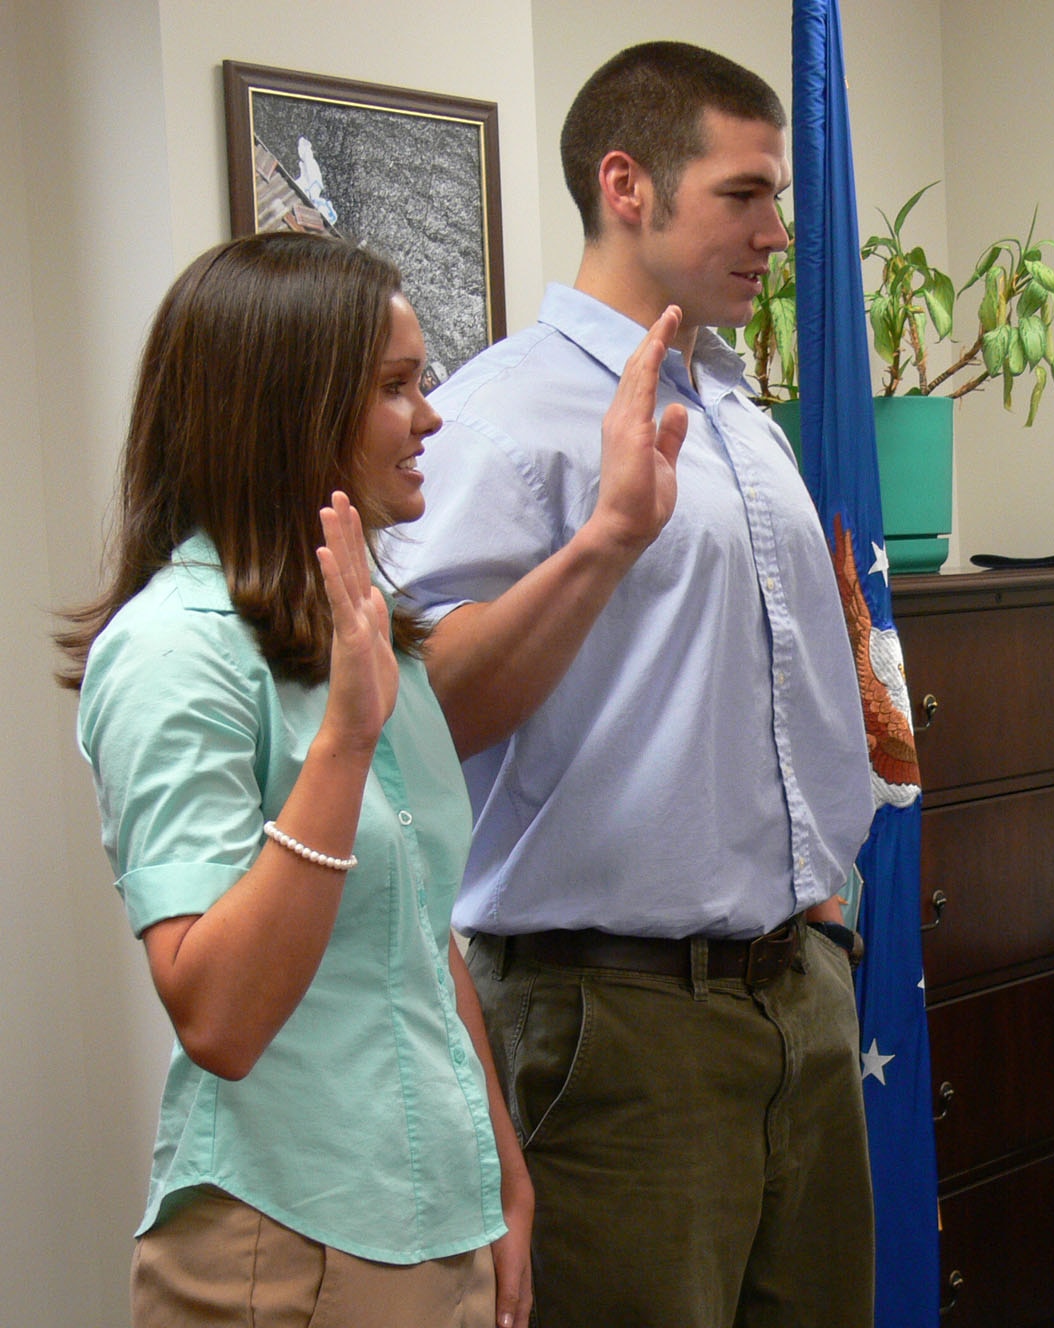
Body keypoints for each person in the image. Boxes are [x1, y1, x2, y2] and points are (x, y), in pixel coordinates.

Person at [57, 231, 645, 1326]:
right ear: (287, 410)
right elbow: (218, 1015)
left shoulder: (368, 636)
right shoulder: (170, 653)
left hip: (441, 1219)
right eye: (394, 386)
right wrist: (341, 741)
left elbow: (417, 936)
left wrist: (501, 1170)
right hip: (286, 1241)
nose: (430, 416)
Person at [379, 40, 876, 1328]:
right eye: (744, 193)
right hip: (613, 1023)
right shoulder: (501, 415)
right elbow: (413, 719)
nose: (777, 231)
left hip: (793, 996)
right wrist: (604, 540)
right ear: (628, 186)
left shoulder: (741, 414)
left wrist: (818, 918)